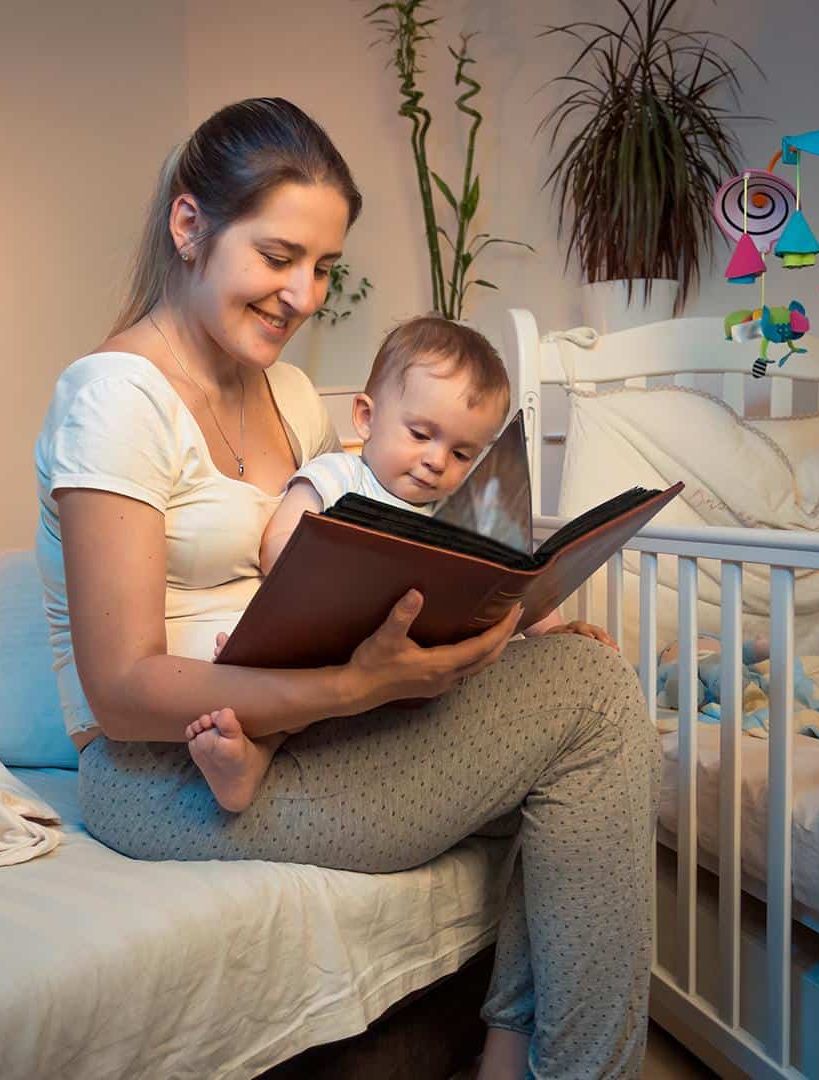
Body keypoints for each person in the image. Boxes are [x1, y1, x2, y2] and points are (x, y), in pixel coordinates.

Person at [34, 96, 658, 1078]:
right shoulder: (112, 397)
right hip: (161, 772)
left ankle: (510, 1052)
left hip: (299, 727)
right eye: (280, 256)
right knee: (598, 711)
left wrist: (503, 619)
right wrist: (355, 690)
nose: (305, 294)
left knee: (580, 712)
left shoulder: (283, 390)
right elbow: (119, 692)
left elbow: (356, 565)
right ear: (190, 226)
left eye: (324, 267)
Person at [183, 313, 616, 813]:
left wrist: (551, 629)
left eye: (461, 453)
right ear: (366, 417)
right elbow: (278, 541)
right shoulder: (341, 475)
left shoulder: (457, 513)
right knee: (289, 684)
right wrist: (328, 591)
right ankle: (247, 758)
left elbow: (508, 585)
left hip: (407, 672)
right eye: (420, 434)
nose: (437, 461)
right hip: (328, 638)